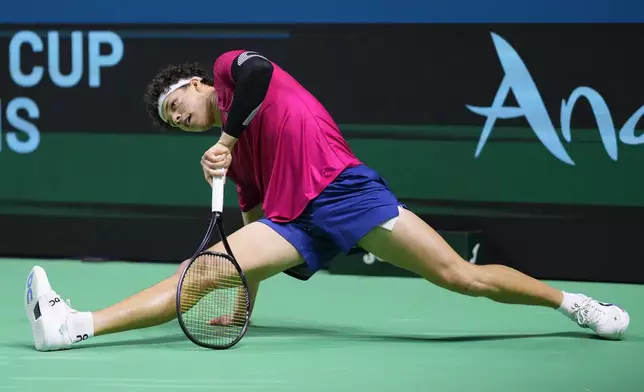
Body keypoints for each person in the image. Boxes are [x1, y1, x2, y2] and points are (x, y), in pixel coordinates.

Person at [24, 50, 629, 351]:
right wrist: (243, 302)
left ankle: (571, 303)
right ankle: (72, 325)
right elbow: (254, 227)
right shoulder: (240, 164)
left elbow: (259, 78)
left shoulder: (232, 69)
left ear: (200, 85)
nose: (179, 119)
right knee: (204, 271)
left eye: (177, 106)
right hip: (295, 223)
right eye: (172, 123)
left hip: (344, 191)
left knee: (459, 276)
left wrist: (227, 137)